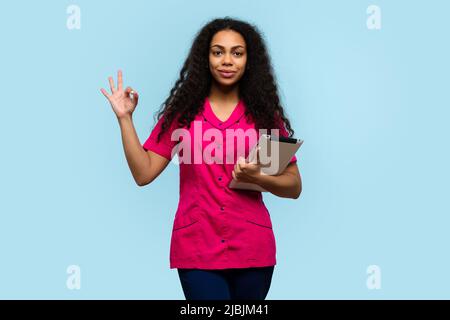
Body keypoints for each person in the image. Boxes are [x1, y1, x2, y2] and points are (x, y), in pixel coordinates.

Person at [100, 17, 302, 300]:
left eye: (237, 53)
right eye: (218, 52)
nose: (227, 60)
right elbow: (143, 173)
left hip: (252, 249)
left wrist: (257, 177)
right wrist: (125, 119)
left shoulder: (263, 116)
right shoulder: (182, 114)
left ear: (248, 60)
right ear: (205, 58)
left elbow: (293, 186)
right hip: (196, 247)